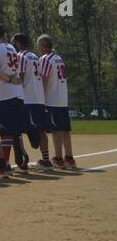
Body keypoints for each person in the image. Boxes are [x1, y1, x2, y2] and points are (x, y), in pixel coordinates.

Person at [0, 22, 27, 176]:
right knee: (8, 131)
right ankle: (7, 163)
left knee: (3, 130)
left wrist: (8, 79)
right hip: (16, 92)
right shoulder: (11, 47)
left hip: (2, 93)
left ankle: (4, 165)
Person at [13, 32, 50, 168]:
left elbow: (20, 77)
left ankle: (22, 159)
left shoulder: (21, 56)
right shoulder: (35, 56)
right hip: (38, 97)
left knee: (17, 128)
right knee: (41, 130)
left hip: (27, 98)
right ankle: (45, 158)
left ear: (18, 43)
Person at [38, 35, 75, 169]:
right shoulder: (58, 58)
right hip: (62, 98)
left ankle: (58, 158)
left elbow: (44, 78)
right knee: (65, 130)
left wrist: (41, 96)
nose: (38, 48)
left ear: (43, 45)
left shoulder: (45, 59)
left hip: (52, 98)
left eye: (39, 45)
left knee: (56, 130)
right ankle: (69, 158)